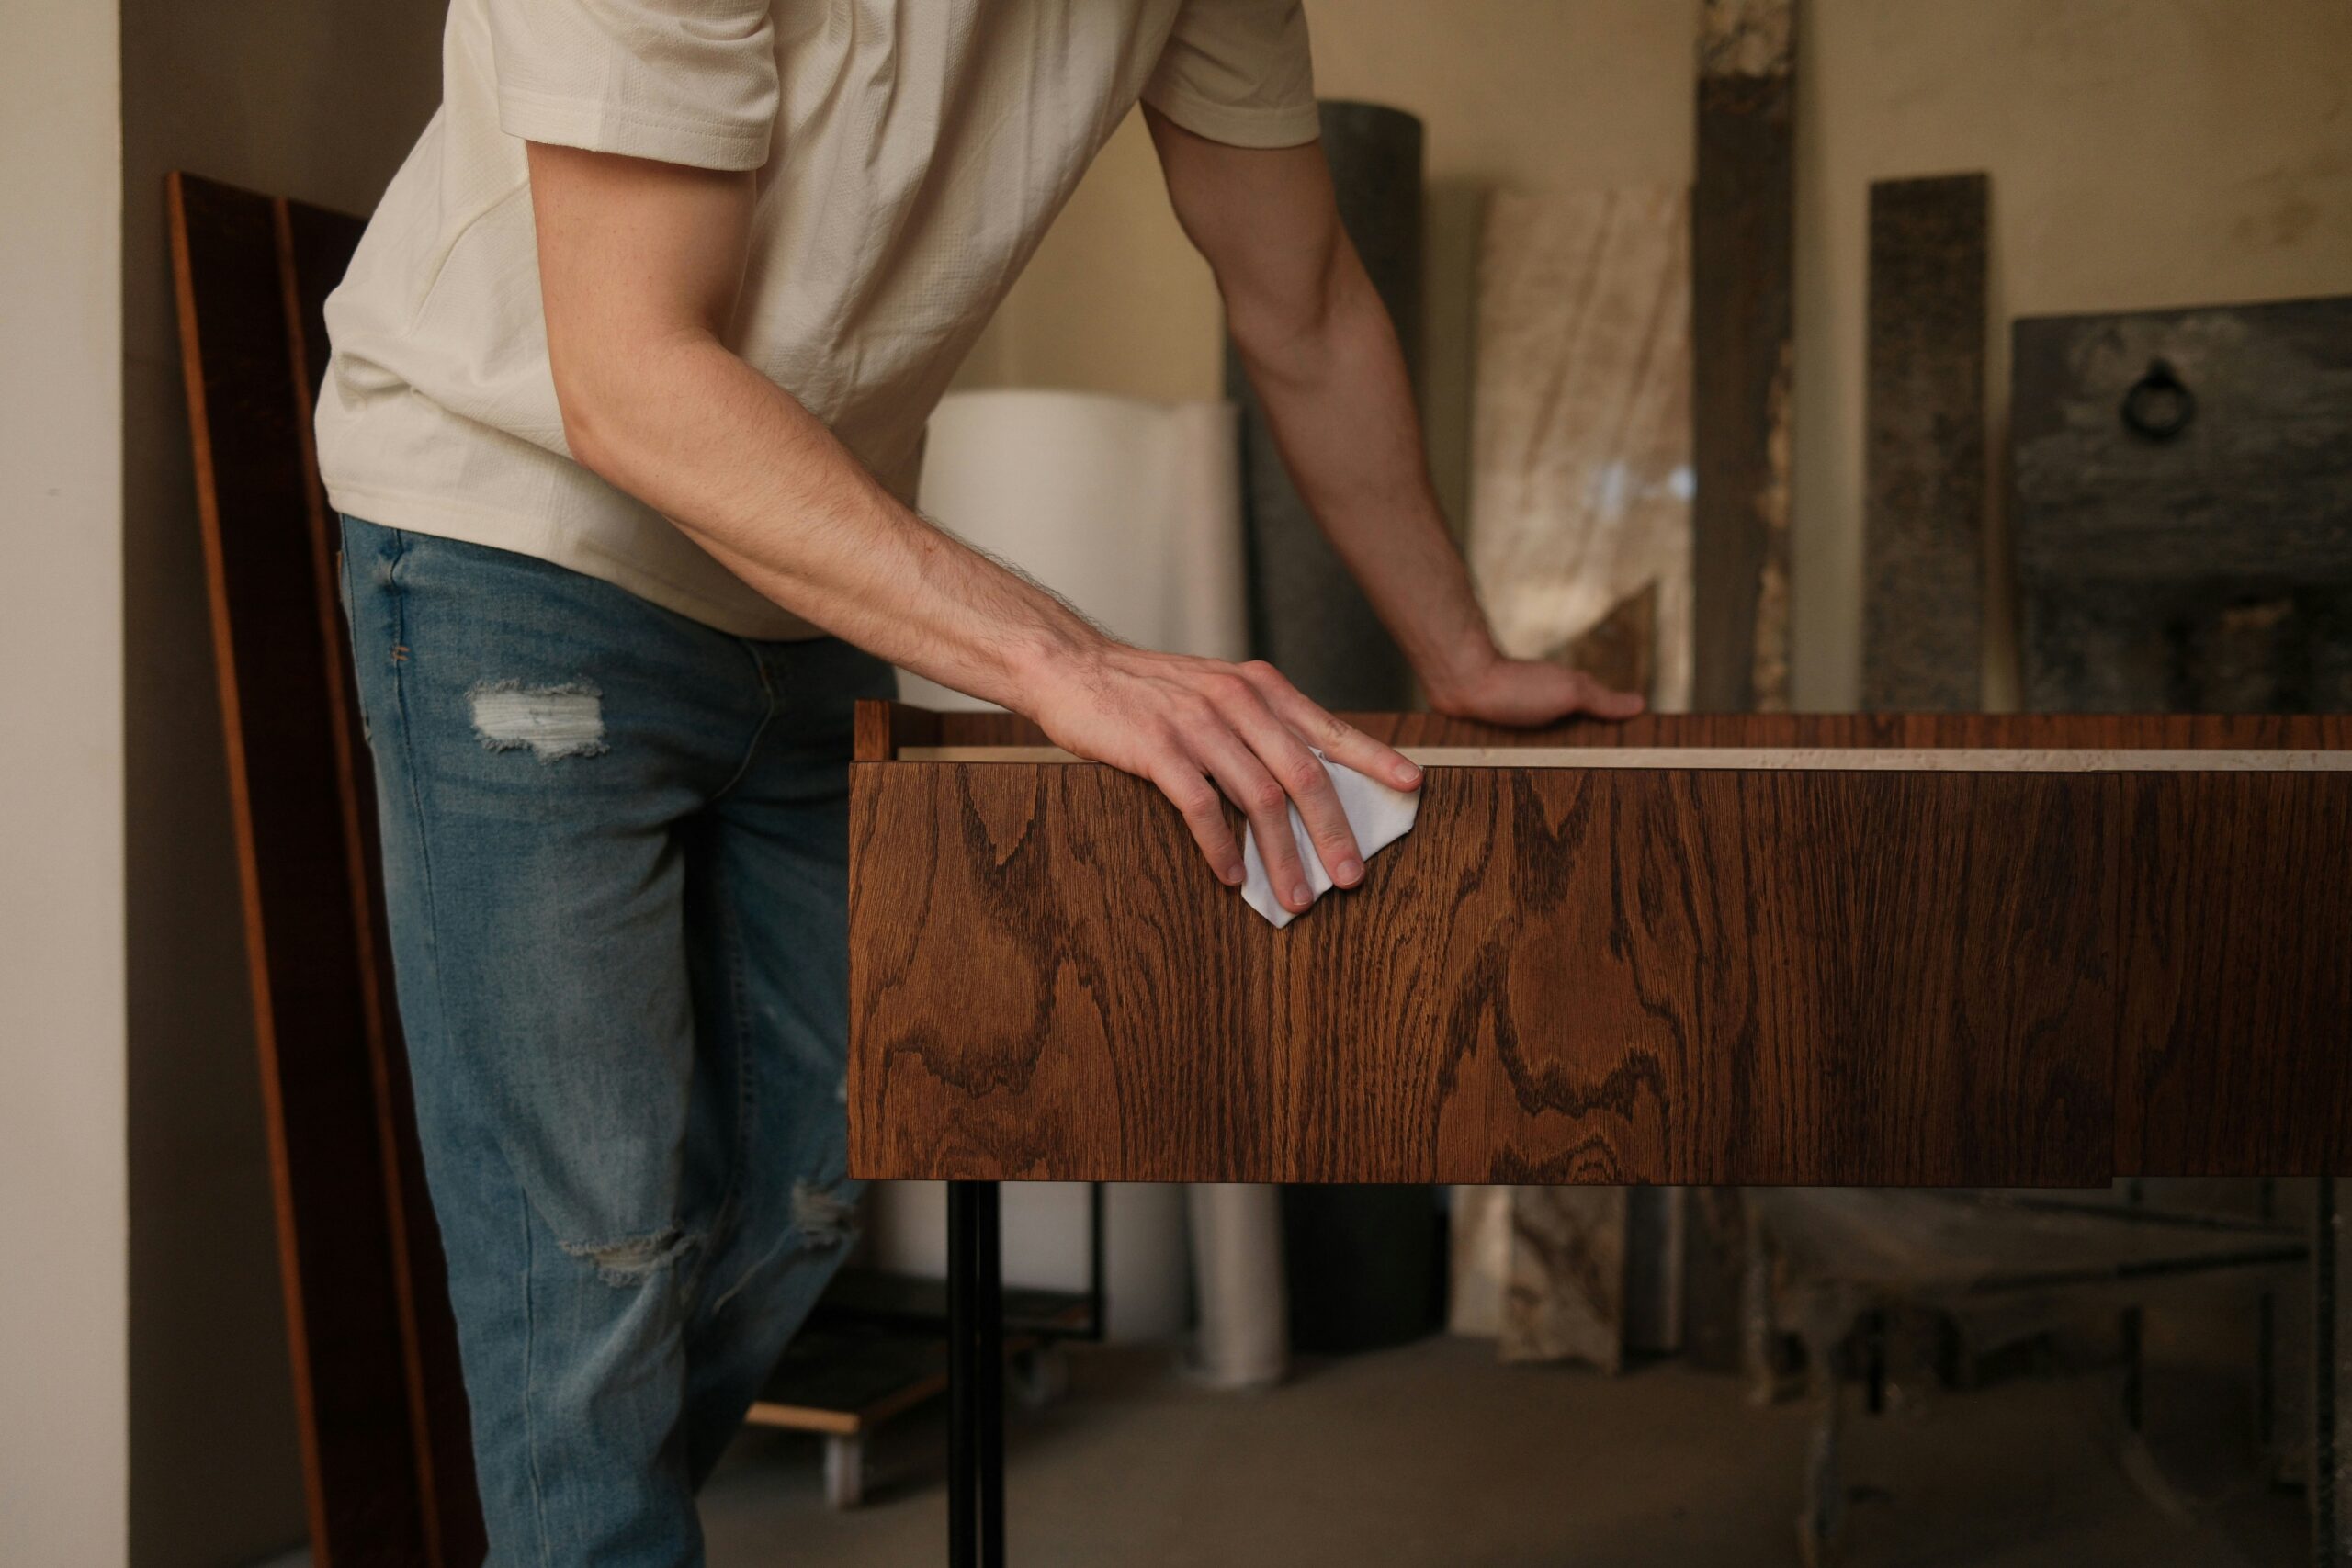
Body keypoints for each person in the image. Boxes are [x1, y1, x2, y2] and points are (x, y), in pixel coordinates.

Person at [317, 1, 1640, 1561]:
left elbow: (1307, 300)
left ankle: (568, 1508)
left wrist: (1461, 652)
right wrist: (1061, 658)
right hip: (516, 537)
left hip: (809, 563)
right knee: (592, 1251)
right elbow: (630, 376)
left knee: (815, 1186)